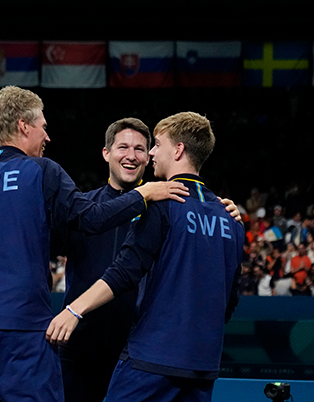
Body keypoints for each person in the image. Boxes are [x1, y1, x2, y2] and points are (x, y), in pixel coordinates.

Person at [0, 87, 189, 402]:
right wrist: (144, 194)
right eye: (43, 126)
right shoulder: (41, 171)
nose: (47, 137)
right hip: (23, 335)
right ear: (24, 126)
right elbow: (91, 218)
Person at [46, 112, 245, 402]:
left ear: (177, 150)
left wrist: (74, 310)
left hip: (147, 355)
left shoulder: (165, 204)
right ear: (107, 153)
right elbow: (229, 298)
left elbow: (125, 271)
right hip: (196, 363)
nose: (148, 152)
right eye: (124, 147)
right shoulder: (230, 219)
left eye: (151, 145)